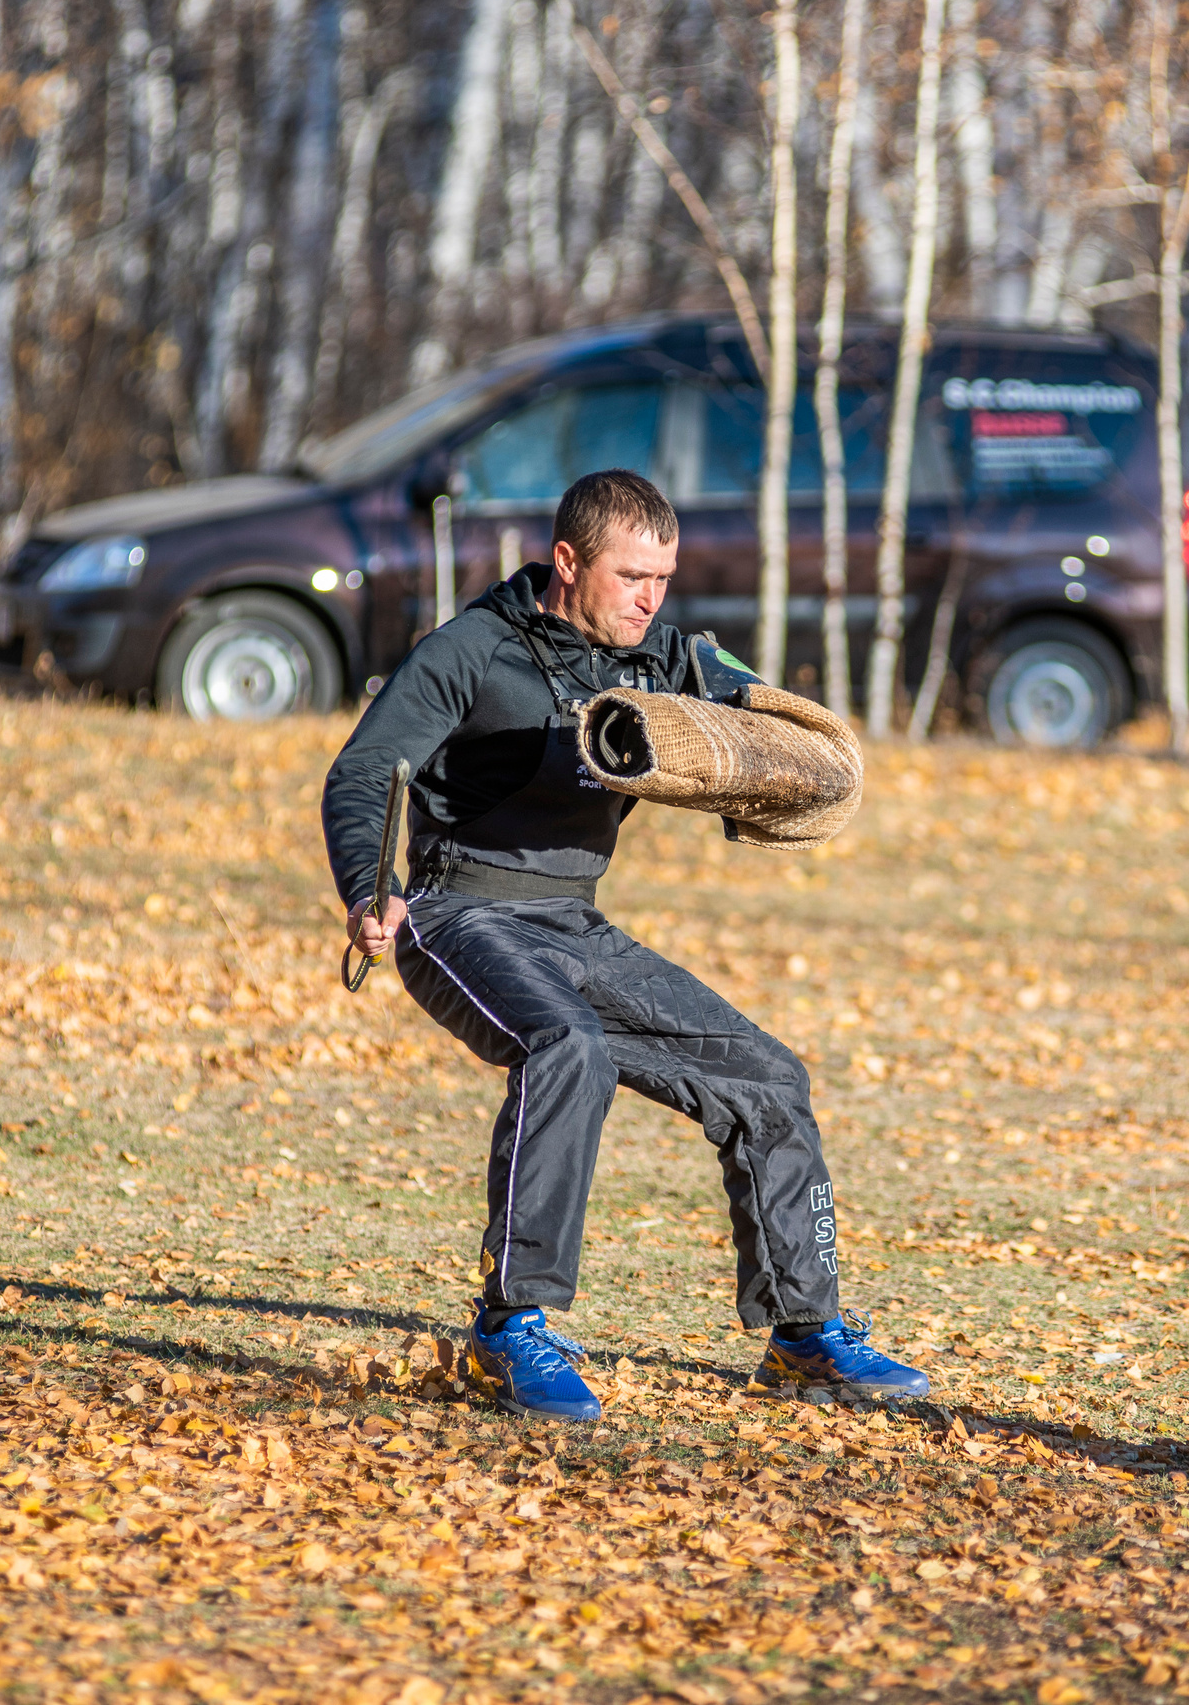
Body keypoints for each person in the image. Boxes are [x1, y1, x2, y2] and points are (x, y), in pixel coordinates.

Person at [321, 468, 927, 1422]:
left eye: (663, 579)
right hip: (456, 912)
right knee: (569, 1046)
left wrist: (792, 750)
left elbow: (761, 715)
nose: (650, 598)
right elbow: (362, 774)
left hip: (575, 923)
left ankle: (805, 1335)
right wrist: (370, 884)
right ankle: (509, 1327)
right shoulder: (470, 650)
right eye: (631, 576)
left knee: (768, 1074)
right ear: (568, 561)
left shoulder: (662, 657)